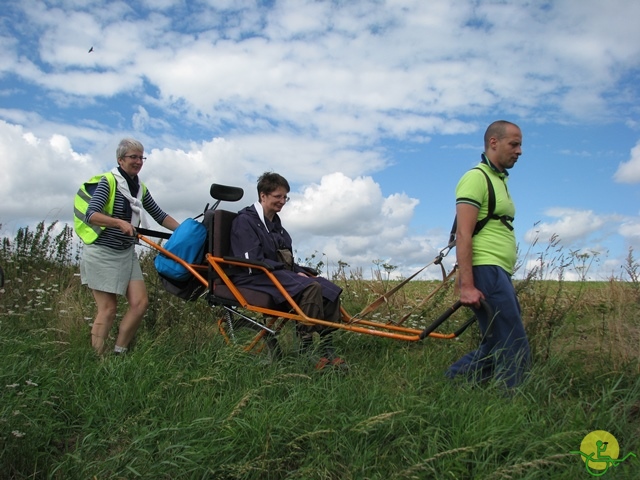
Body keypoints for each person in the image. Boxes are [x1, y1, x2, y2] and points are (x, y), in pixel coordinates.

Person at [230, 172, 345, 369]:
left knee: (327, 288)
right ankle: (305, 348)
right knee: (311, 287)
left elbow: (285, 259)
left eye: (285, 197)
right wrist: (290, 272)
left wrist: (299, 271)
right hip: (253, 277)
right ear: (263, 195)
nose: (283, 201)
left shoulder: (276, 225)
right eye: (278, 196)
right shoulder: (246, 221)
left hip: (273, 274)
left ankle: (327, 346)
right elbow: (252, 261)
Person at [446, 120, 531, 388]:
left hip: (497, 271)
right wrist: (467, 285)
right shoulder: (476, 178)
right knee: (513, 344)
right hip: (487, 269)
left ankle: (452, 384)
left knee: (497, 341)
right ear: (493, 142)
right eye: (514, 144)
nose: (519, 151)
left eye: (520, 145)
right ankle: (511, 406)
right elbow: (463, 233)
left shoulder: (498, 180)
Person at [80, 138, 179, 355]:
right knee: (108, 309)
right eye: (133, 157)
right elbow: (91, 215)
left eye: (141, 157)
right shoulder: (109, 182)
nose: (138, 161)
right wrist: (118, 222)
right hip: (102, 252)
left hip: (126, 252)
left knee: (140, 303)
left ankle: (119, 352)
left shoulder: (139, 188)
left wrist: (185, 232)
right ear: (120, 159)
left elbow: (160, 215)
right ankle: (97, 359)